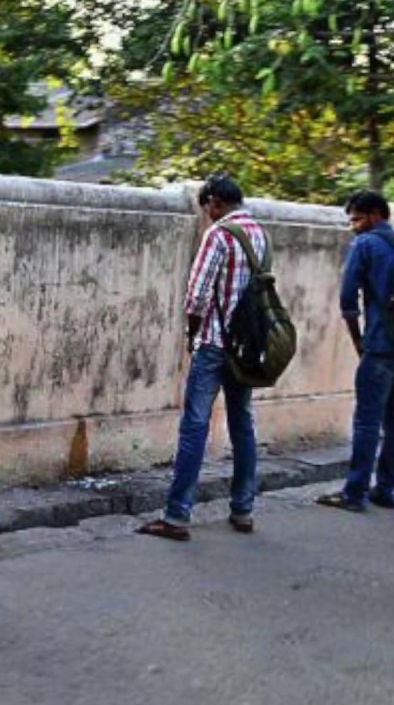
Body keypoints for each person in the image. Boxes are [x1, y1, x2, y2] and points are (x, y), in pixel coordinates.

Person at [137, 174, 266, 541]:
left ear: (214, 202)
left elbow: (196, 296)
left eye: (207, 208)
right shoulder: (260, 234)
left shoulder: (220, 234)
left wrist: (192, 336)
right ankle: (243, 510)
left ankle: (177, 517)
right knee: (242, 423)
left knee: (195, 426)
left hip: (213, 343)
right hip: (246, 347)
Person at [317, 191, 394, 512]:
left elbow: (348, 302)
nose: (353, 227)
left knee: (367, 421)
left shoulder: (366, 245)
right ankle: (387, 489)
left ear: (376, 214)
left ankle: (355, 492)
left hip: (380, 344)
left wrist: (359, 343)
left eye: (357, 219)